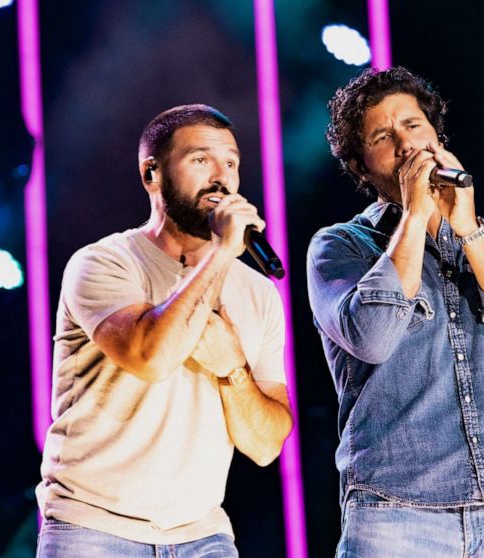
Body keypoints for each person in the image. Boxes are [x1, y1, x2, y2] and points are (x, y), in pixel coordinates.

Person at [307, 67, 484, 557]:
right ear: (362, 167)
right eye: (383, 136)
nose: (405, 145)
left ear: (437, 137)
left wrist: (467, 228)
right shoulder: (340, 247)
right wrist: (413, 215)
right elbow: (373, 337)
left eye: (413, 126)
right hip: (394, 515)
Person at [36, 104, 293, 557]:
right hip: (94, 530)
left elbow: (266, 444)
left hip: (203, 536)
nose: (221, 177)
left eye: (230, 162)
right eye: (200, 160)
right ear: (151, 173)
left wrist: (233, 369)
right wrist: (221, 253)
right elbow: (149, 358)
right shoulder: (104, 263)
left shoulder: (258, 294)